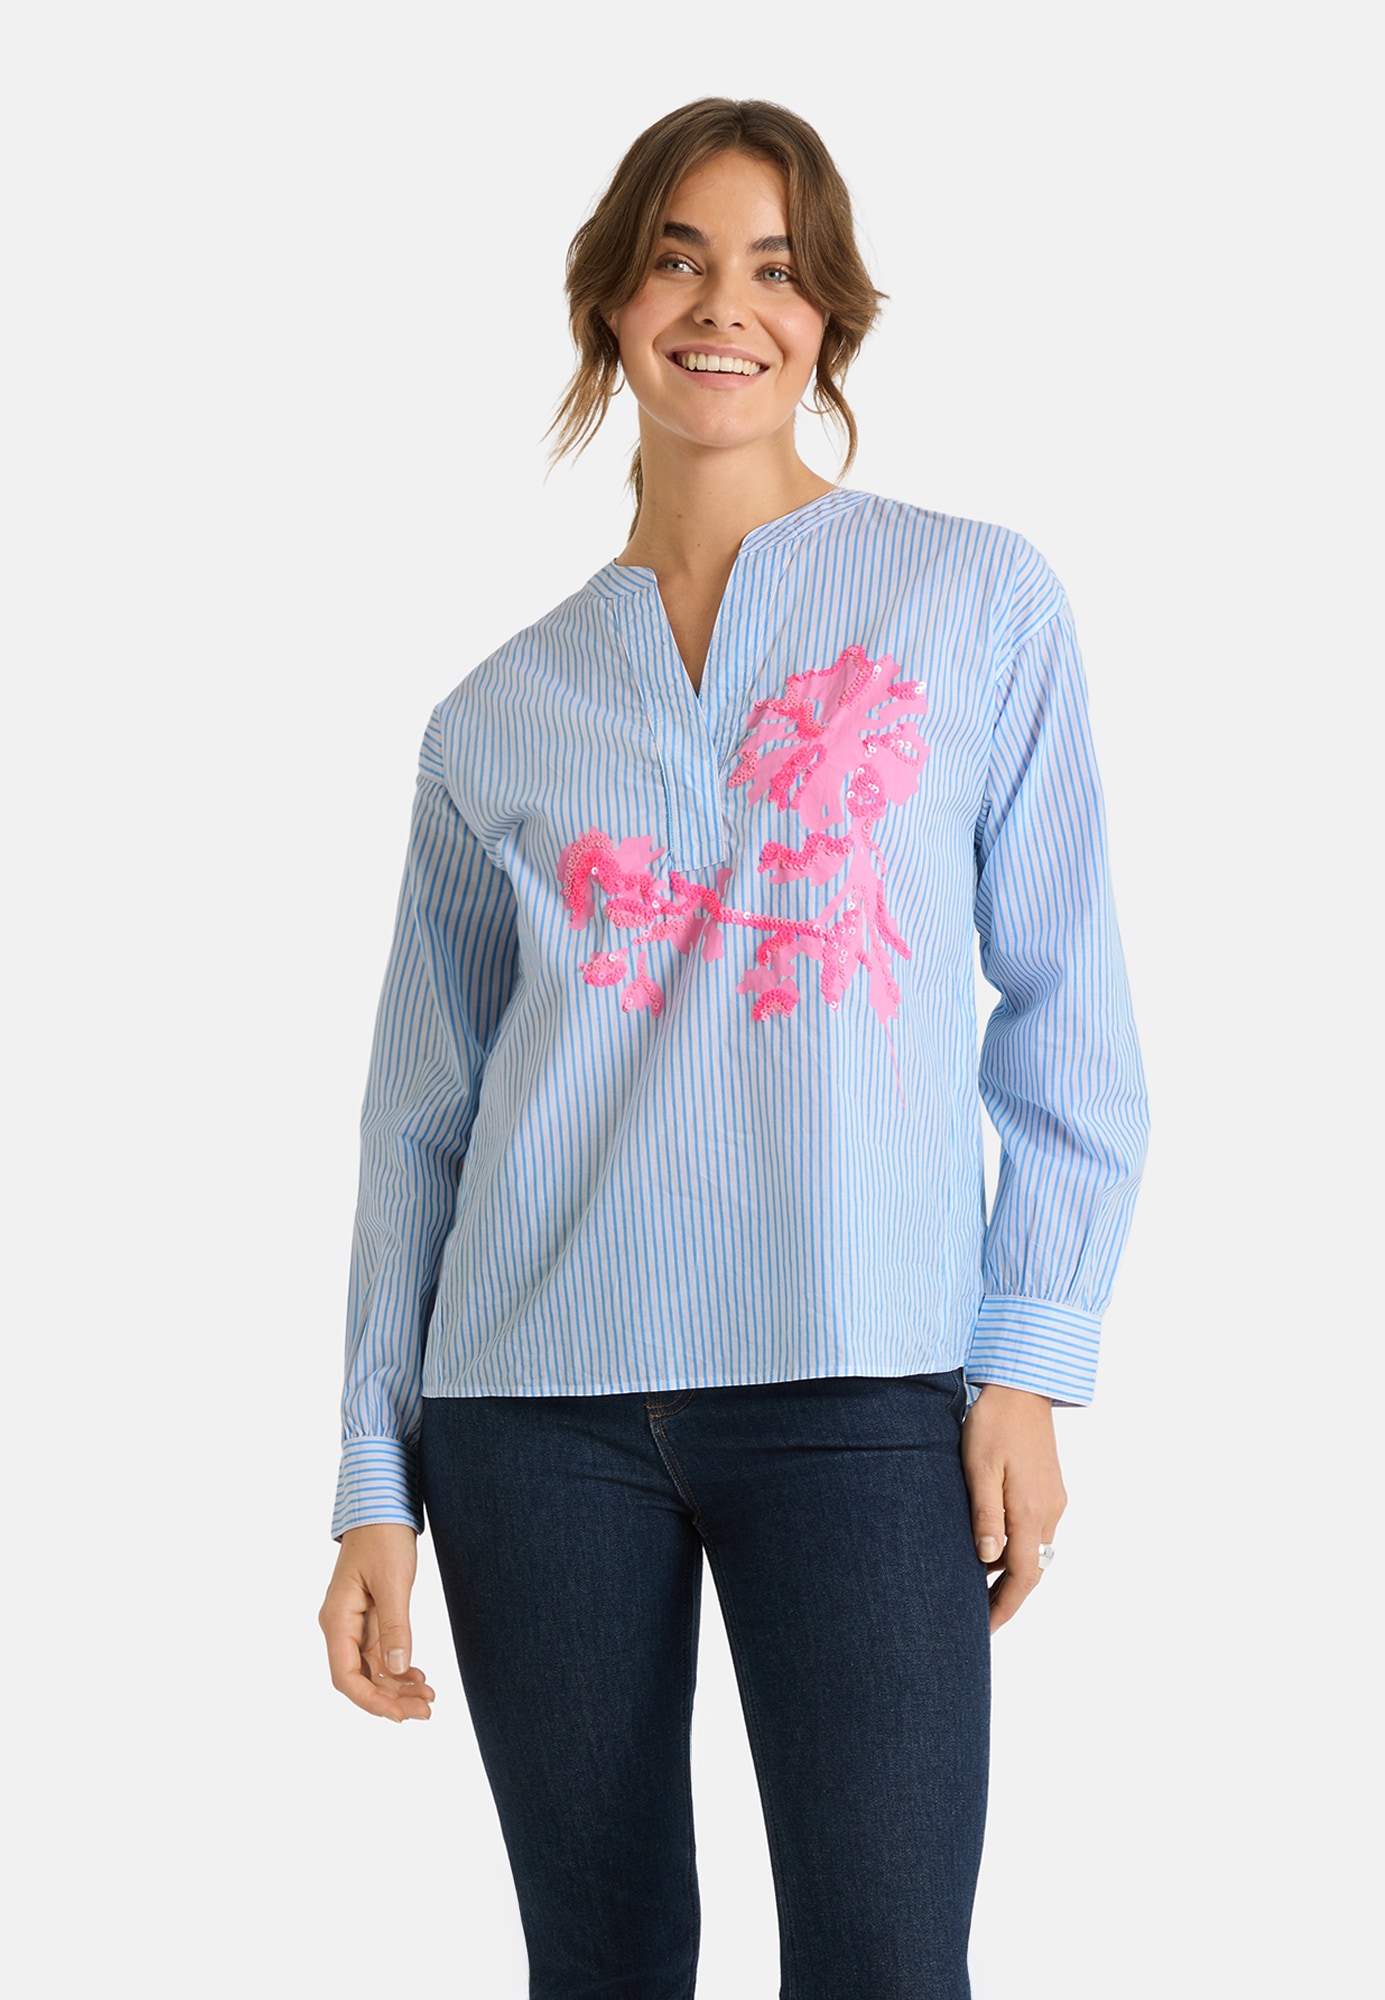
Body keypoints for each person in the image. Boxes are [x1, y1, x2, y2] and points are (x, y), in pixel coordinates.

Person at [318, 96, 1150, 2000]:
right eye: (678, 259)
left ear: (829, 314)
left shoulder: (973, 600)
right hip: (532, 1412)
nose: (724, 307)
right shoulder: (494, 714)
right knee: (598, 1968)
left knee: (887, 1965)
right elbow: (420, 1121)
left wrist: (1028, 1360)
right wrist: (374, 1474)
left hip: (862, 1381)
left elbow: (1073, 1017)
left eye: (775, 268)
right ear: (609, 301)